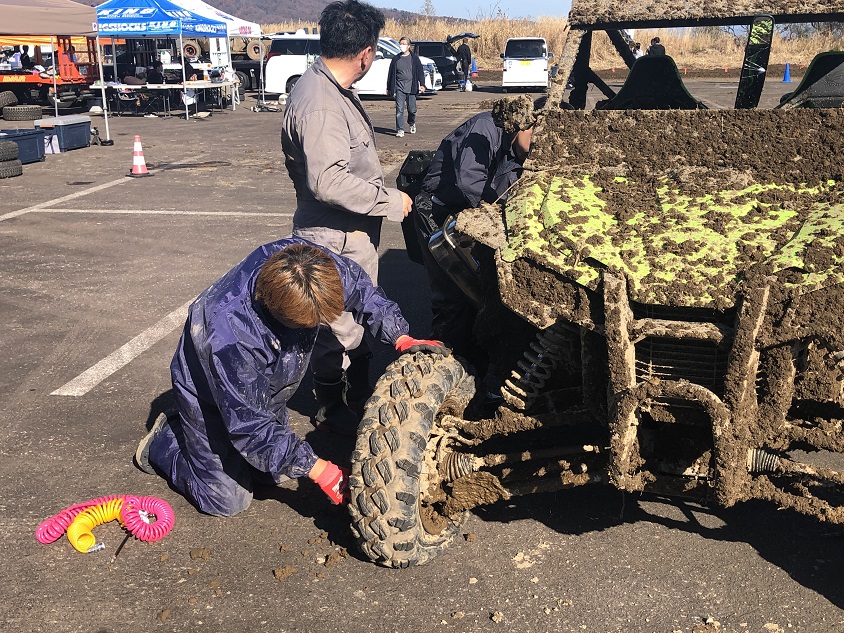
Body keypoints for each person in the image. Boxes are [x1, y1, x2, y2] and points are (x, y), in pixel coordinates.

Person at [134, 238, 448, 516]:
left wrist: (400, 336)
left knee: (272, 472)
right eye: (305, 325)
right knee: (227, 500)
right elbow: (251, 427)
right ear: (273, 309)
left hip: (264, 383)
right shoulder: (230, 336)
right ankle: (166, 440)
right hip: (209, 387)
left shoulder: (307, 263)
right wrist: (325, 472)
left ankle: (227, 447)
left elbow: (360, 288)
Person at [281, 0, 413, 436]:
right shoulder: (320, 102)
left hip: (347, 233)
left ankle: (353, 399)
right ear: (367, 53)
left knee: (352, 321)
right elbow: (329, 181)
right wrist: (390, 202)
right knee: (336, 331)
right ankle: (335, 412)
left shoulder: (331, 90)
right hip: (333, 236)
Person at [414, 95, 538, 379]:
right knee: (452, 294)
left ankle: (480, 363)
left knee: (483, 291)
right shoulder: (485, 130)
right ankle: (443, 364)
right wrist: (500, 213)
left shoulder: (521, 152)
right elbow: (468, 182)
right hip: (438, 210)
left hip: (476, 216)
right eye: (534, 141)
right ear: (525, 125)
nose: (534, 154)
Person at [387, 36, 425, 137]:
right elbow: (391, 74)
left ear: (408, 46)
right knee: (399, 109)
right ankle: (400, 129)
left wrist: (422, 84)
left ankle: (411, 123)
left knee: (412, 109)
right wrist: (389, 88)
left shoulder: (414, 58)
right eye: (400, 44)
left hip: (411, 87)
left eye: (404, 44)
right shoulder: (396, 59)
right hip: (399, 88)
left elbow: (420, 72)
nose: (401, 46)